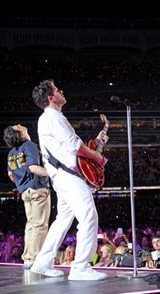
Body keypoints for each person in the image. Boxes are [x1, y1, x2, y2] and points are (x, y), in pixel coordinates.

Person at [30, 79, 109, 281]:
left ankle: (42, 263)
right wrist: (97, 156)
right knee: (88, 215)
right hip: (68, 177)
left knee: (62, 220)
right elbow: (75, 146)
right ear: (51, 98)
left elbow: (71, 148)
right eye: (57, 90)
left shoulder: (49, 118)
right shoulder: (53, 117)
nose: (61, 91)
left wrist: (96, 145)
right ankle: (80, 267)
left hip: (62, 176)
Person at [4, 124, 51, 269]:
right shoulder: (29, 145)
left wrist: (22, 185)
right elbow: (33, 168)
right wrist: (54, 173)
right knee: (39, 225)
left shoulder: (11, 153)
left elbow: (11, 174)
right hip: (37, 188)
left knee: (31, 225)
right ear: (21, 135)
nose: (19, 125)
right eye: (17, 127)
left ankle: (28, 257)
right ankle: (35, 259)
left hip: (25, 191)